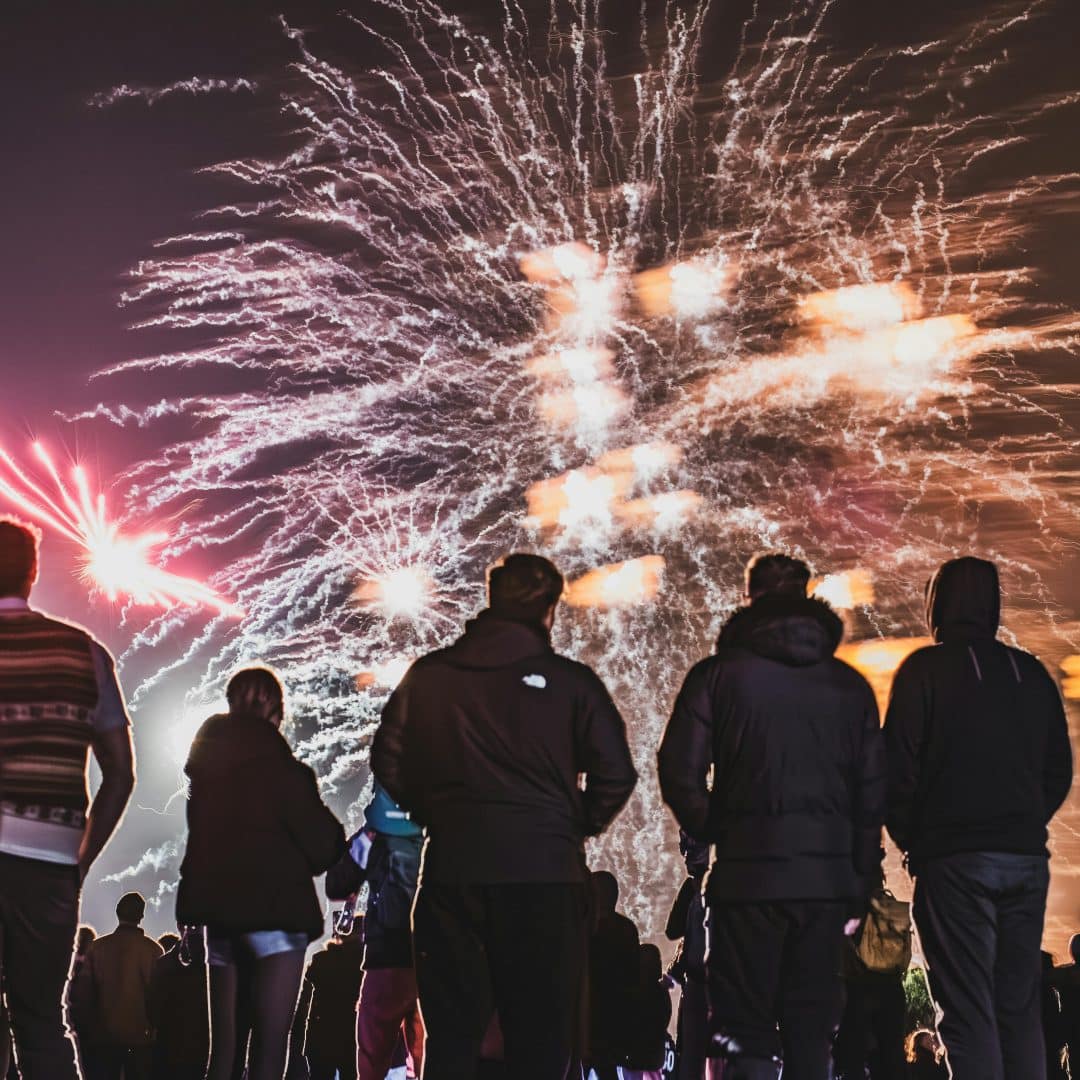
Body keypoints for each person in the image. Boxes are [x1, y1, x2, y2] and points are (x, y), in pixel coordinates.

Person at [372, 552, 637, 1079]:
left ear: (491, 598)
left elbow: (389, 758)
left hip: (453, 871)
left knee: (452, 1040)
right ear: (549, 609)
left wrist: (435, 812)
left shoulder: (431, 676)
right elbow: (617, 775)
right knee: (540, 1042)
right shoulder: (572, 684)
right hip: (545, 880)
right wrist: (568, 827)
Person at [658, 553, 885, 1080]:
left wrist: (718, 827)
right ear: (807, 598)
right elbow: (872, 795)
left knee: (746, 1026)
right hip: (824, 885)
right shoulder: (849, 688)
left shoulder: (717, 678)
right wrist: (857, 879)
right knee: (812, 1028)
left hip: (747, 879)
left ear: (750, 599)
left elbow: (678, 770)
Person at [884, 557, 1073, 1080]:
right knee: (1018, 1009)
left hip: (952, 860)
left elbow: (894, 770)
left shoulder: (923, 671)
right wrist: (1024, 821)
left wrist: (915, 841)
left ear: (937, 606)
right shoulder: (1028, 673)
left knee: (967, 1009)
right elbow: (1059, 769)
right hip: (1024, 859)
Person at [0, 517, 135, 1079]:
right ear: (33, 573)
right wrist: (78, 860)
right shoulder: (86, 653)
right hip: (50, 861)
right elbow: (120, 774)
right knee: (40, 1024)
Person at [176, 665, 346, 1080]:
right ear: (277, 712)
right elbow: (324, 848)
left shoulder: (205, 775)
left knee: (223, 1051)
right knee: (270, 1046)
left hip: (220, 915)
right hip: (279, 917)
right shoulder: (288, 773)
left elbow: (199, 844)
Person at [325, 783, 425, 1080]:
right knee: (430, 1058)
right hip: (435, 956)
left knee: (372, 1059)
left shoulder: (376, 833)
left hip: (386, 958)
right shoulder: (444, 820)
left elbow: (337, 884)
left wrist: (370, 832)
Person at [72, 892, 162, 1079]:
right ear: (141, 916)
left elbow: (83, 996)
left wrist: (87, 1030)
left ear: (117, 912)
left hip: (102, 1038)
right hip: (141, 1039)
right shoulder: (153, 950)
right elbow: (158, 997)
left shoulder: (96, 948)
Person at [585, 870, 640, 1078]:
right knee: (608, 1069)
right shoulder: (627, 929)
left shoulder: (585, 928)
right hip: (616, 1016)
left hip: (589, 1014)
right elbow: (634, 975)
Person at [295, 917, 365, 1080]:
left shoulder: (321, 959)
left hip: (321, 1035)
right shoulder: (363, 963)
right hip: (352, 1037)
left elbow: (307, 986)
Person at [664, 832, 709, 1080]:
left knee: (694, 1058)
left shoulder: (695, 889)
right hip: (712, 987)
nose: (686, 854)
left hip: (700, 987)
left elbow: (672, 930)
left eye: (692, 846)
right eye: (685, 846)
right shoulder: (733, 886)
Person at [148, 927, 211, 1080]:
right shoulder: (213, 964)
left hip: (169, 1047)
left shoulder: (163, 964)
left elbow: (153, 1011)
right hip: (203, 1046)